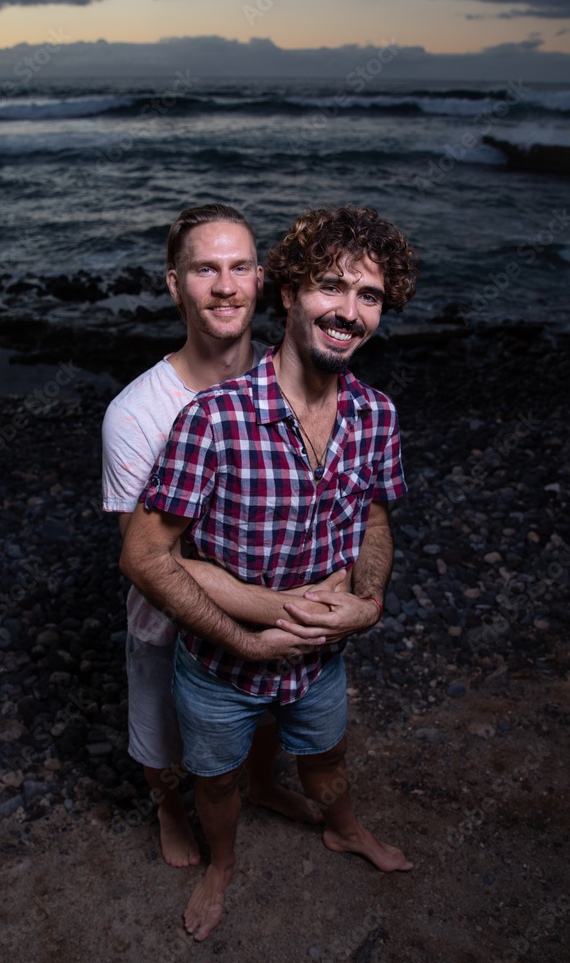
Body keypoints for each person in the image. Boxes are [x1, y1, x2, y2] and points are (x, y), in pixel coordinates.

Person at [120, 204, 419, 941]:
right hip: (219, 666)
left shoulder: (377, 415)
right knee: (215, 780)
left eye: (369, 296)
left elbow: (375, 520)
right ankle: (221, 863)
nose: (348, 312)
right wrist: (246, 635)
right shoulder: (211, 419)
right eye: (329, 287)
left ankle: (343, 826)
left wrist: (369, 600)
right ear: (285, 292)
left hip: (324, 661)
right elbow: (147, 554)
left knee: (326, 759)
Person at [102, 203, 329, 868]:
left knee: (259, 719)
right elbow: (149, 561)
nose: (224, 287)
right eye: (204, 269)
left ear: (261, 279)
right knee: (162, 746)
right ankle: (170, 807)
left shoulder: (294, 380)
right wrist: (289, 611)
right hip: (169, 626)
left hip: (275, 615)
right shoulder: (136, 414)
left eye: (238, 268)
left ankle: (260, 783)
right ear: (174, 284)